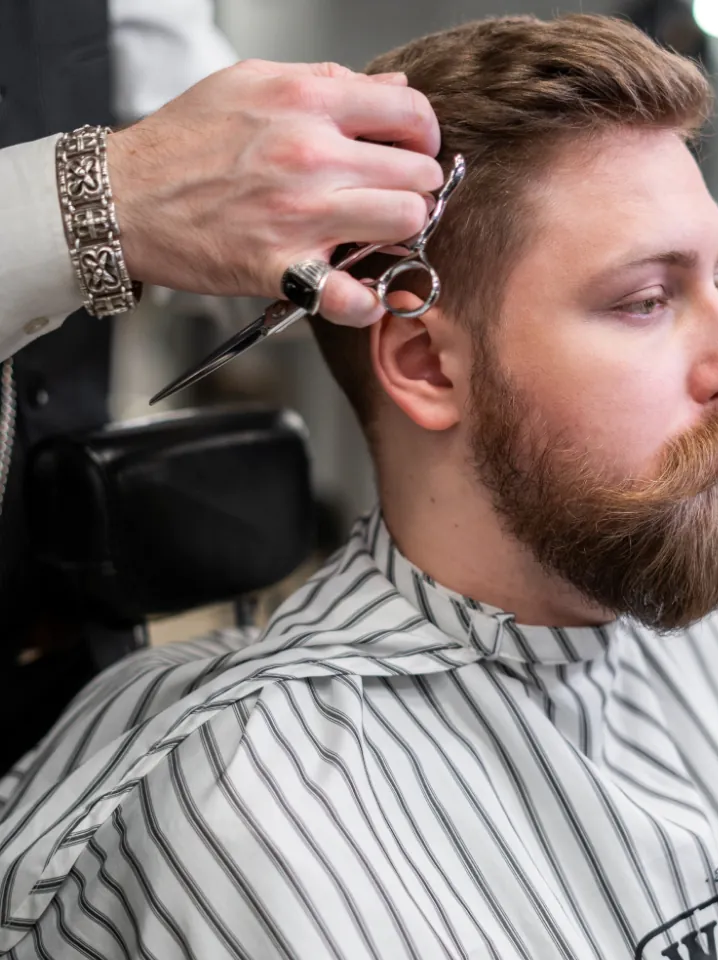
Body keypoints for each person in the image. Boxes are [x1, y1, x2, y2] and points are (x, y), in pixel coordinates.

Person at [1, 14, 718, 960]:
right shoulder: (254, 799)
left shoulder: (685, 636)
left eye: (717, 283)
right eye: (645, 300)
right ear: (426, 364)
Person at [0, 0, 442, 772]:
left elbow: (232, 170)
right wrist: (102, 200)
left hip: (53, 627)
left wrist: (319, 204)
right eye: (636, 303)